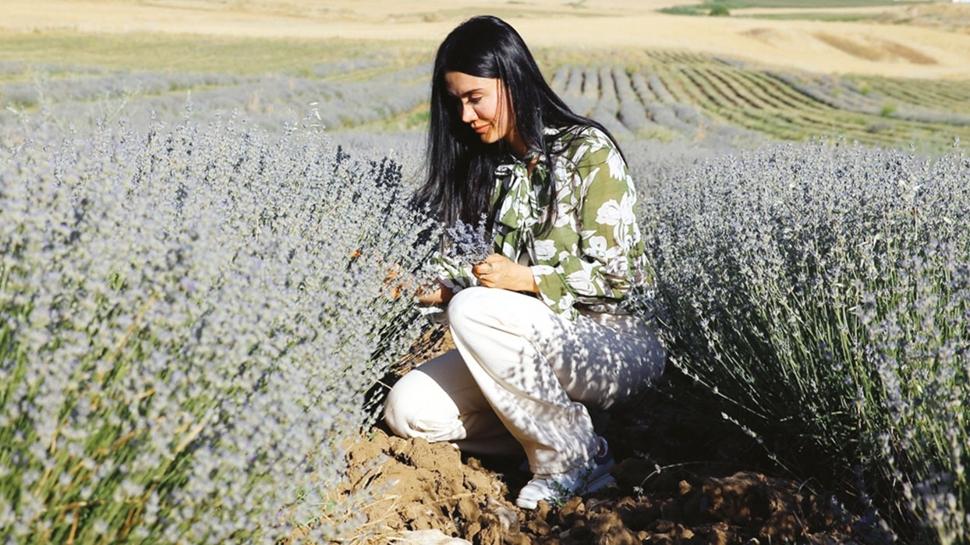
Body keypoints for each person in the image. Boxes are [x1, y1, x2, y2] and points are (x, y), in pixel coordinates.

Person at [382, 15, 666, 510]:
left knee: (472, 310)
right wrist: (419, 287)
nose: (466, 116)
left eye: (475, 98)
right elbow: (476, 276)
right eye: (456, 103)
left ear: (512, 80)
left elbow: (626, 278)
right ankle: (564, 428)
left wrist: (529, 279)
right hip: (525, 343)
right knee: (408, 411)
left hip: (613, 342)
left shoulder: (586, 153)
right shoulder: (488, 169)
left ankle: (570, 459)